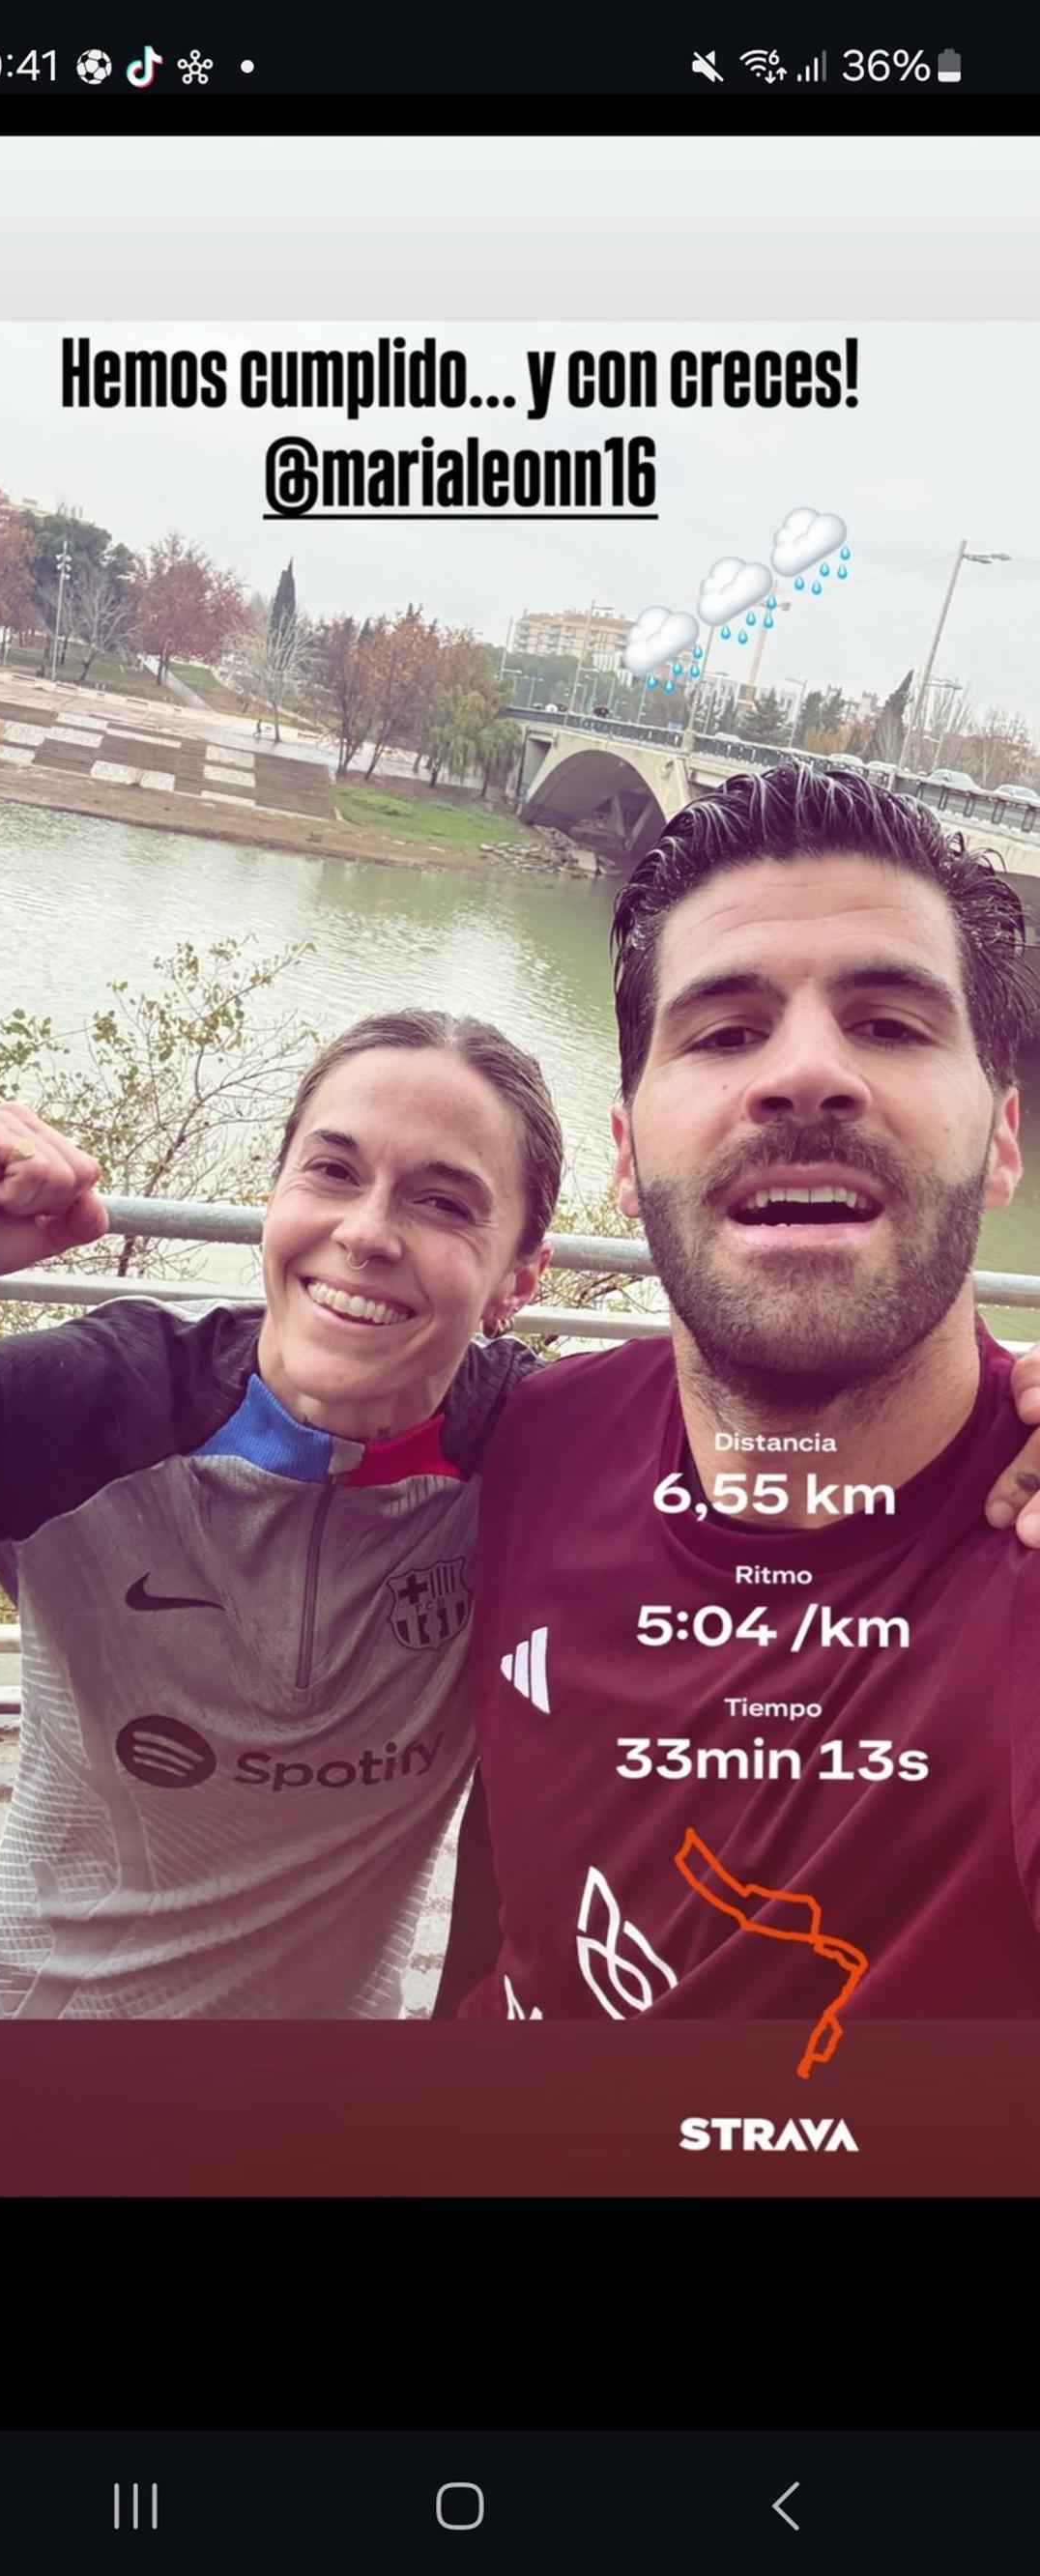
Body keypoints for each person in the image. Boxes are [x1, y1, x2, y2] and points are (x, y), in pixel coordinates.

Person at [436, 765, 1040, 2039]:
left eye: (891, 1023)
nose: (807, 1073)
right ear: (625, 1151)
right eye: (722, 1033)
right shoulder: (530, 1439)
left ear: (1002, 1138)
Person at [0, 1011, 558, 2018]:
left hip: (324, 2085)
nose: (367, 1233)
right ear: (274, 1197)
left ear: (520, 1277)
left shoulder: (544, 1458)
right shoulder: (85, 1406)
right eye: (331, 1171)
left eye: (444, 1201)